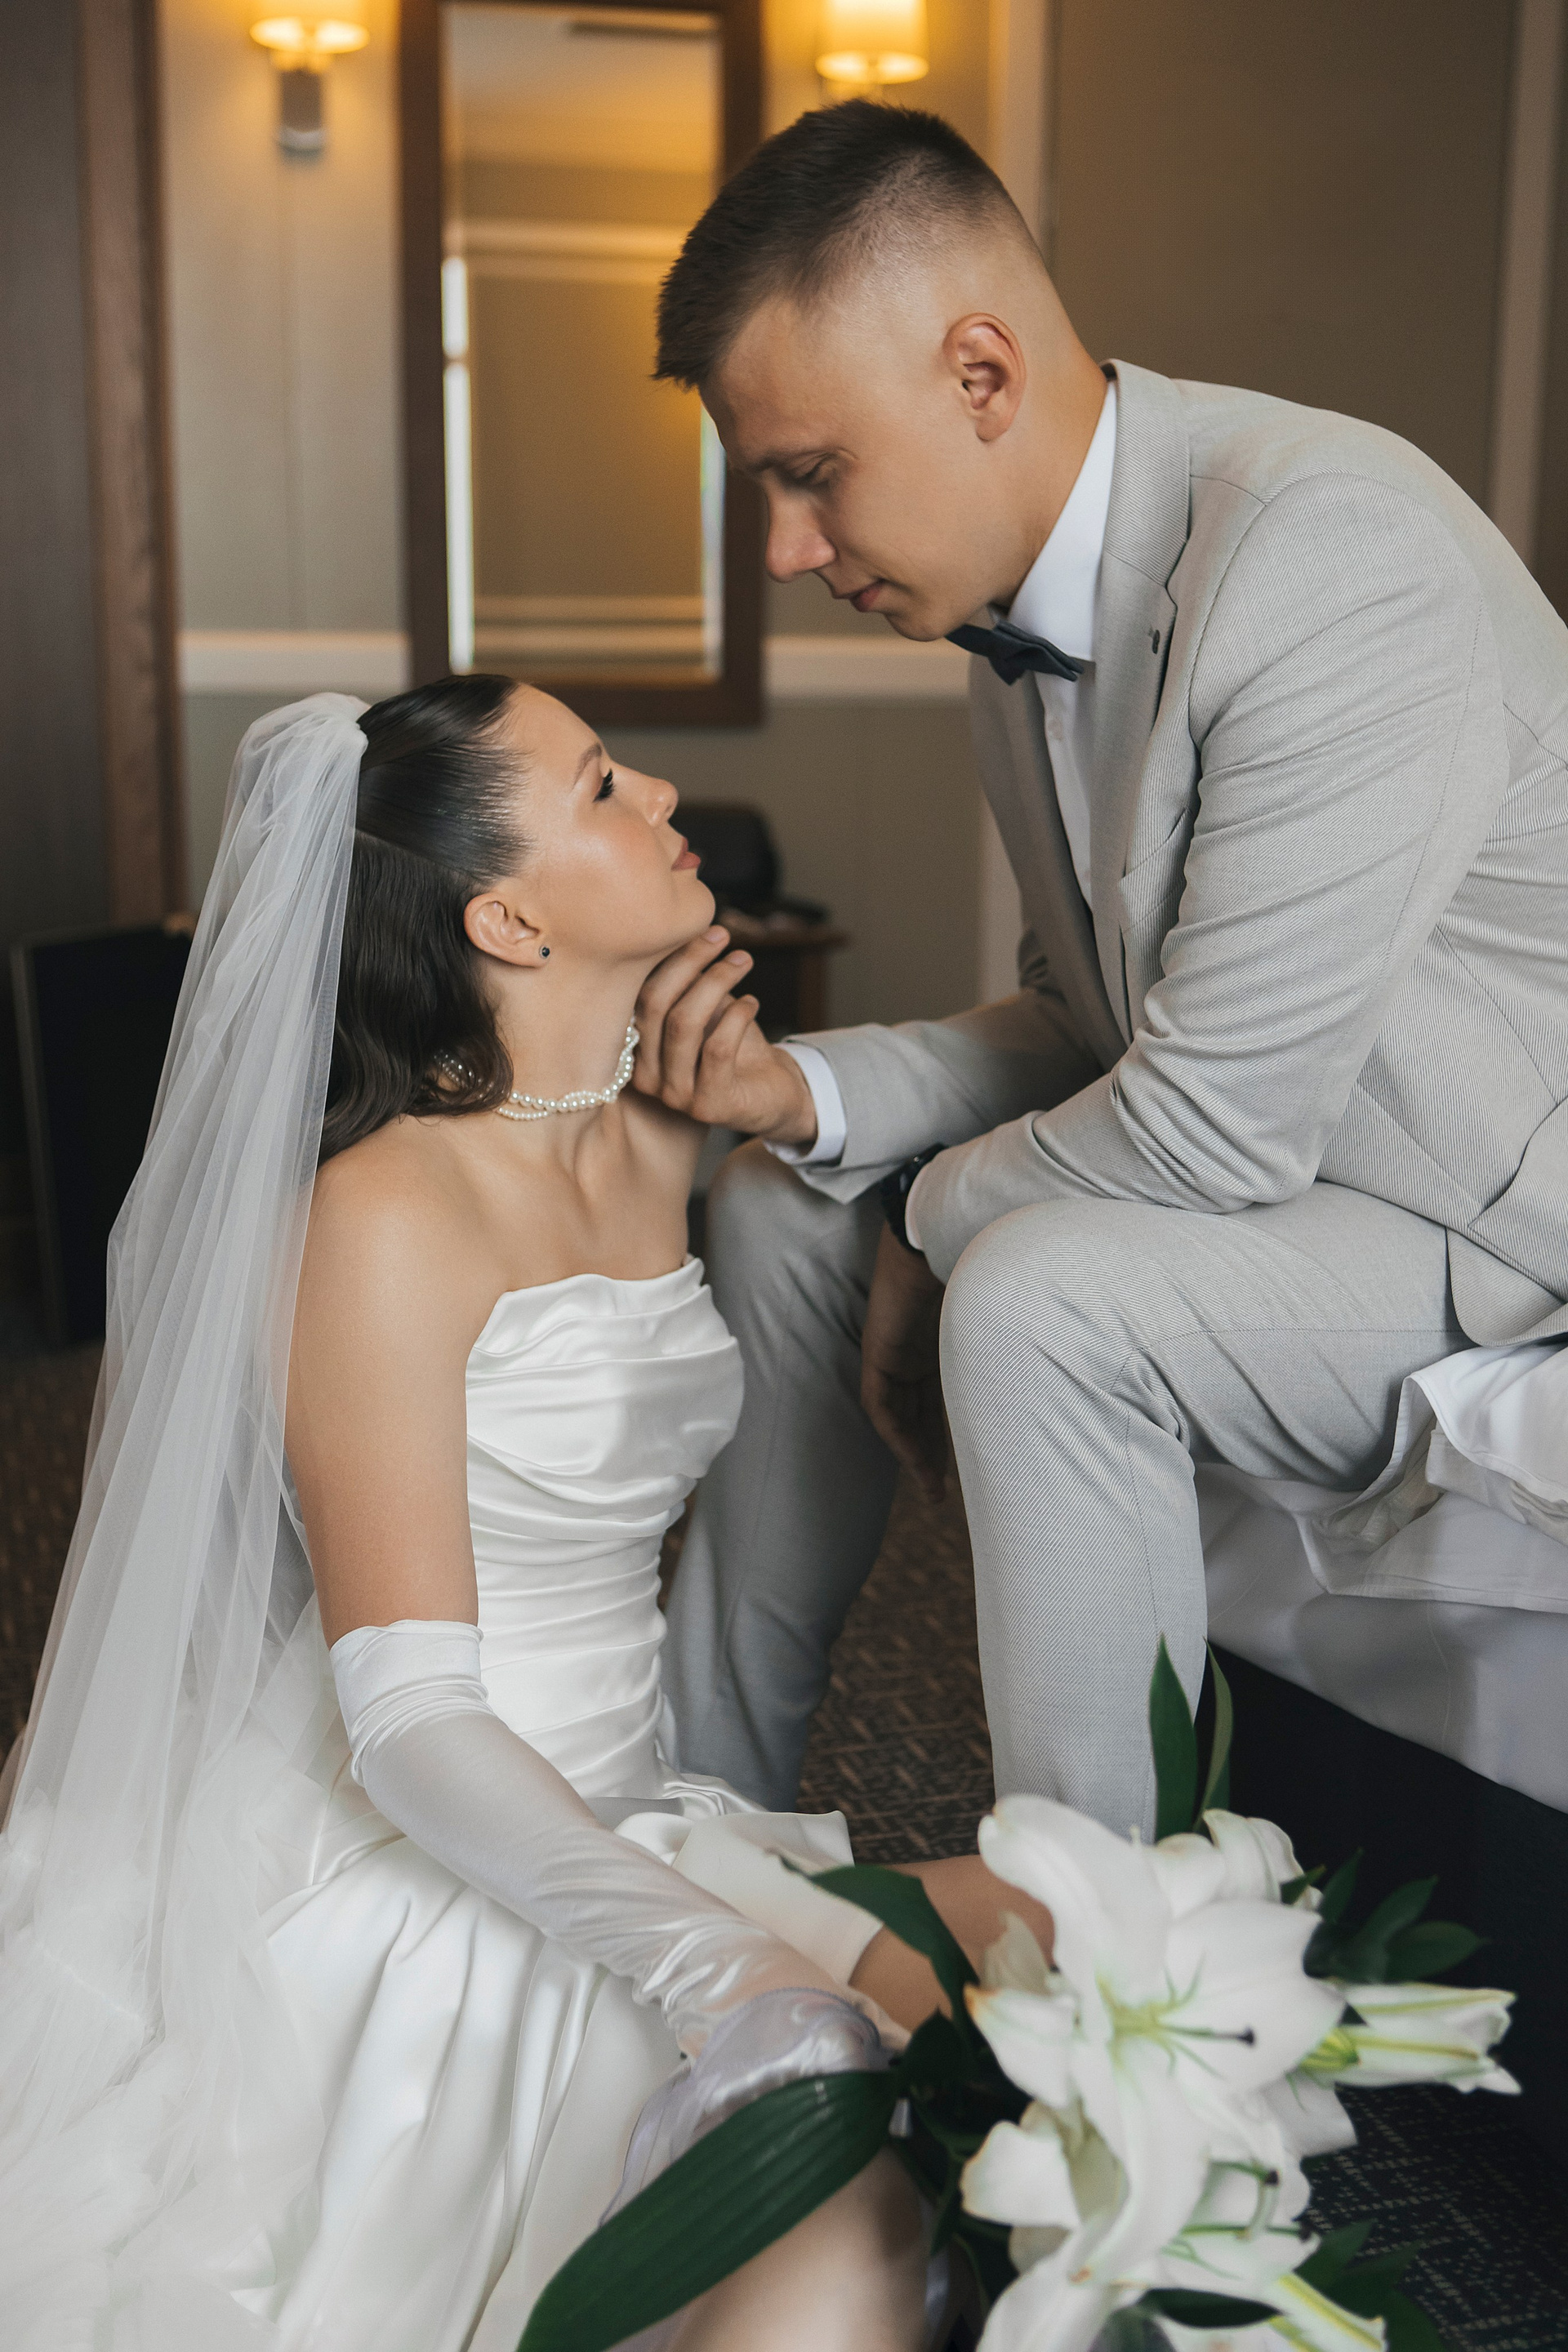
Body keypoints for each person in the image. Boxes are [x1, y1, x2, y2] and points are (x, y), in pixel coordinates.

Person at [0, 681, 1050, 2351]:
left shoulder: (658, 1129)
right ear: (508, 918)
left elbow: (1007, 1070)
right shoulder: (378, 1216)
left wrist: (782, 1101)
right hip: (425, 1840)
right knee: (834, 2244)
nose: (664, 796)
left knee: (1077, 1930)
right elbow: (413, 1724)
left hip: (638, 1799)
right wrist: (714, 1962)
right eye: (605, 785)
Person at [630, 100, 1568, 1835]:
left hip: (1493, 1223)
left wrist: (927, 1220)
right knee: (773, 1203)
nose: (783, 549)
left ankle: (1100, 1943)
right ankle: (701, 1824)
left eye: (809, 473)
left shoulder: (1329, 550)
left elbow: (1208, 1128)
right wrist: (804, 1096)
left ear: (981, 373)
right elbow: (1088, 1023)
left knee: (1040, 1292)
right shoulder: (1011, 632)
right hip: (1296, 1171)